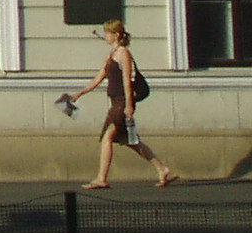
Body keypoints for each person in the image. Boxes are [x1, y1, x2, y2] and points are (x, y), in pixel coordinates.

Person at [67, 18, 177, 190]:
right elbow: (98, 78)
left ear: (116, 35)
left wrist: (129, 105)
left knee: (107, 137)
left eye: (108, 33)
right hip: (115, 102)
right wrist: (80, 93)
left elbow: (127, 80)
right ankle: (162, 168)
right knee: (132, 141)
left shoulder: (124, 53)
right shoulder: (111, 55)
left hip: (121, 102)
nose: (105, 36)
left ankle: (101, 178)